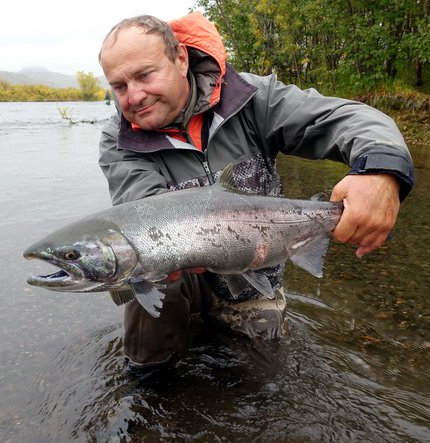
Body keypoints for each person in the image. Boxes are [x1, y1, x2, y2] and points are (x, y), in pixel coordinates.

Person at [97, 12, 414, 368]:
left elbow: (346, 117)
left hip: (256, 270)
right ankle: (150, 386)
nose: (134, 96)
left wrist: (382, 170)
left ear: (180, 59)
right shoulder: (119, 140)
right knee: (142, 278)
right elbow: (144, 211)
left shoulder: (250, 98)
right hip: (184, 279)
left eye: (144, 75)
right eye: (119, 86)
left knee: (267, 375)